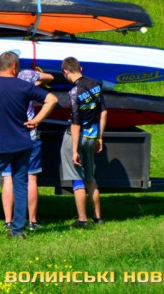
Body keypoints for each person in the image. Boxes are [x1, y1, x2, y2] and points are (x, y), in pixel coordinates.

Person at [0, 51, 57, 238]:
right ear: (14, 66)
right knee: (20, 186)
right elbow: (52, 99)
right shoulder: (24, 86)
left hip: (0, 145)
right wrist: (36, 120)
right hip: (23, 144)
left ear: (0, 66)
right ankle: (17, 231)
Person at [1, 69, 54, 232]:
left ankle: (8, 221)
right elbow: (50, 77)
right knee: (31, 178)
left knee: (8, 178)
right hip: (29, 134)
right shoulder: (26, 76)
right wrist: (36, 84)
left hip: (7, 136)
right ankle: (32, 221)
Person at [60, 56, 108, 228]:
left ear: (65, 71)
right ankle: (98, 218)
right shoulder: (96, 85)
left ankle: (82, 220)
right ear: (80, 68)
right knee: (90, 177)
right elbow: (103, 112)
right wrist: (99, 137)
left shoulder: (74, 92)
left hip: (77, 137)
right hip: (91, 136)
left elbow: (75, 123)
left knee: (77, 178)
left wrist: (74, 150)